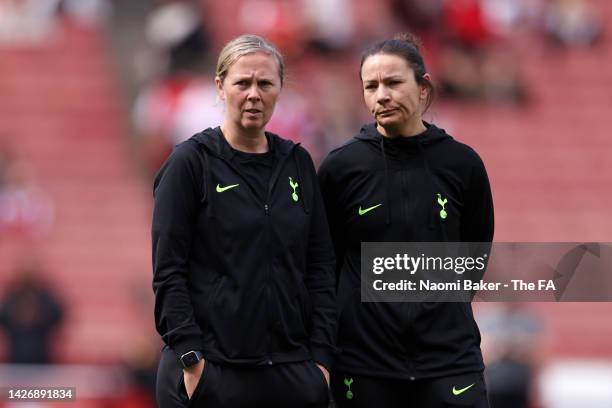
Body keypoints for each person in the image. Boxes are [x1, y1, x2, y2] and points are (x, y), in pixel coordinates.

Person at [152, 34, 335, 408]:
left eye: (265, 83)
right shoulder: (190, 163)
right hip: (212, 371)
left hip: (290, 372)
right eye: (243, 82)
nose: (254, 94)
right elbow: (168, 269)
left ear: (280, 89)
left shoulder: (298, 164)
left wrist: (321, 362)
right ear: (220, 87)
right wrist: (191, 360)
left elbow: (320, 267)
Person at [318, 33, 494, 407]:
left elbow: (476, 252)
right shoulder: (340, 167)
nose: (382, 95)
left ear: (423, 87)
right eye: (371, 86)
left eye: (394, 82)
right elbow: (324, 263)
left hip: (448, 359)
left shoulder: (462, 164)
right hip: (364, 363)